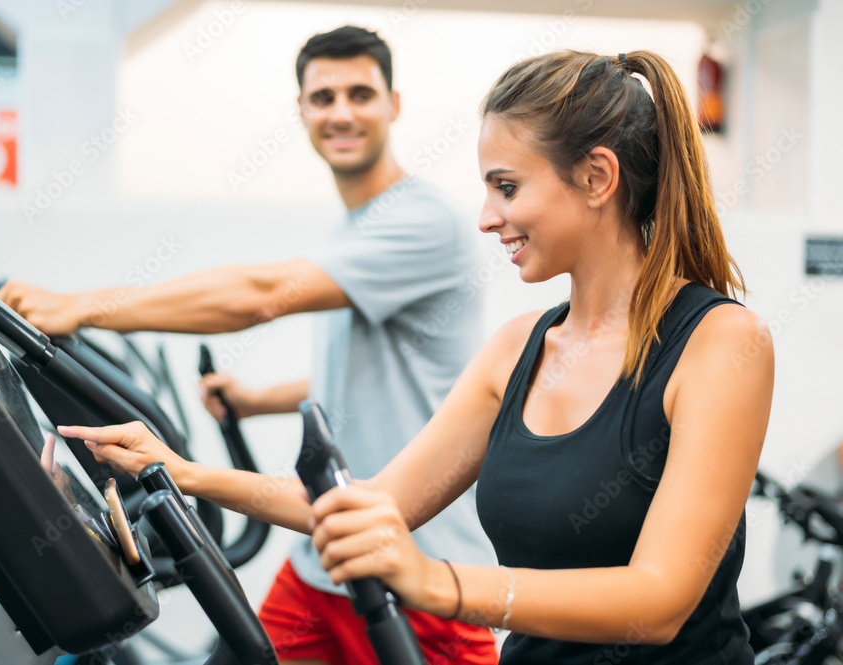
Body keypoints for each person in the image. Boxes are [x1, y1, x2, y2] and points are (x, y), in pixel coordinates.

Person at [62, 49, 776, 663]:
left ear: (596, 177)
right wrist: (183, 472)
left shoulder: (720, 344)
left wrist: (437, 582)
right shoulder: (517, 350)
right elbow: (376, 503)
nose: (487, 216)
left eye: (507, 186)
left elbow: (658, 600)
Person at [1, 25, 499, 665]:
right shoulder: (359, 226)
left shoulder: (423, 220)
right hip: (326, 561)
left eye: (360, 93)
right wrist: (258, 399)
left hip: (418, 571)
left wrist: (85, 306)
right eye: (323, 97)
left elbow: (260, 295)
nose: (341, 112)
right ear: (301, 112)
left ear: (393, 105)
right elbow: (391, 374)